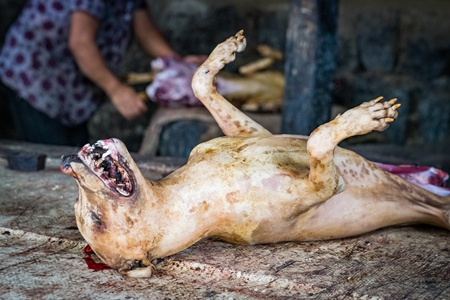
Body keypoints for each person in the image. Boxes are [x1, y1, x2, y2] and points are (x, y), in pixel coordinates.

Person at [0, 0, 186, 146]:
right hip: (35, 76)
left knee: (76, 153)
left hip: (74, 86)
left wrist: (179, 64)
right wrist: (116, 90)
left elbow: (144, 29)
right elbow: (81, 43)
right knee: (52, 154)